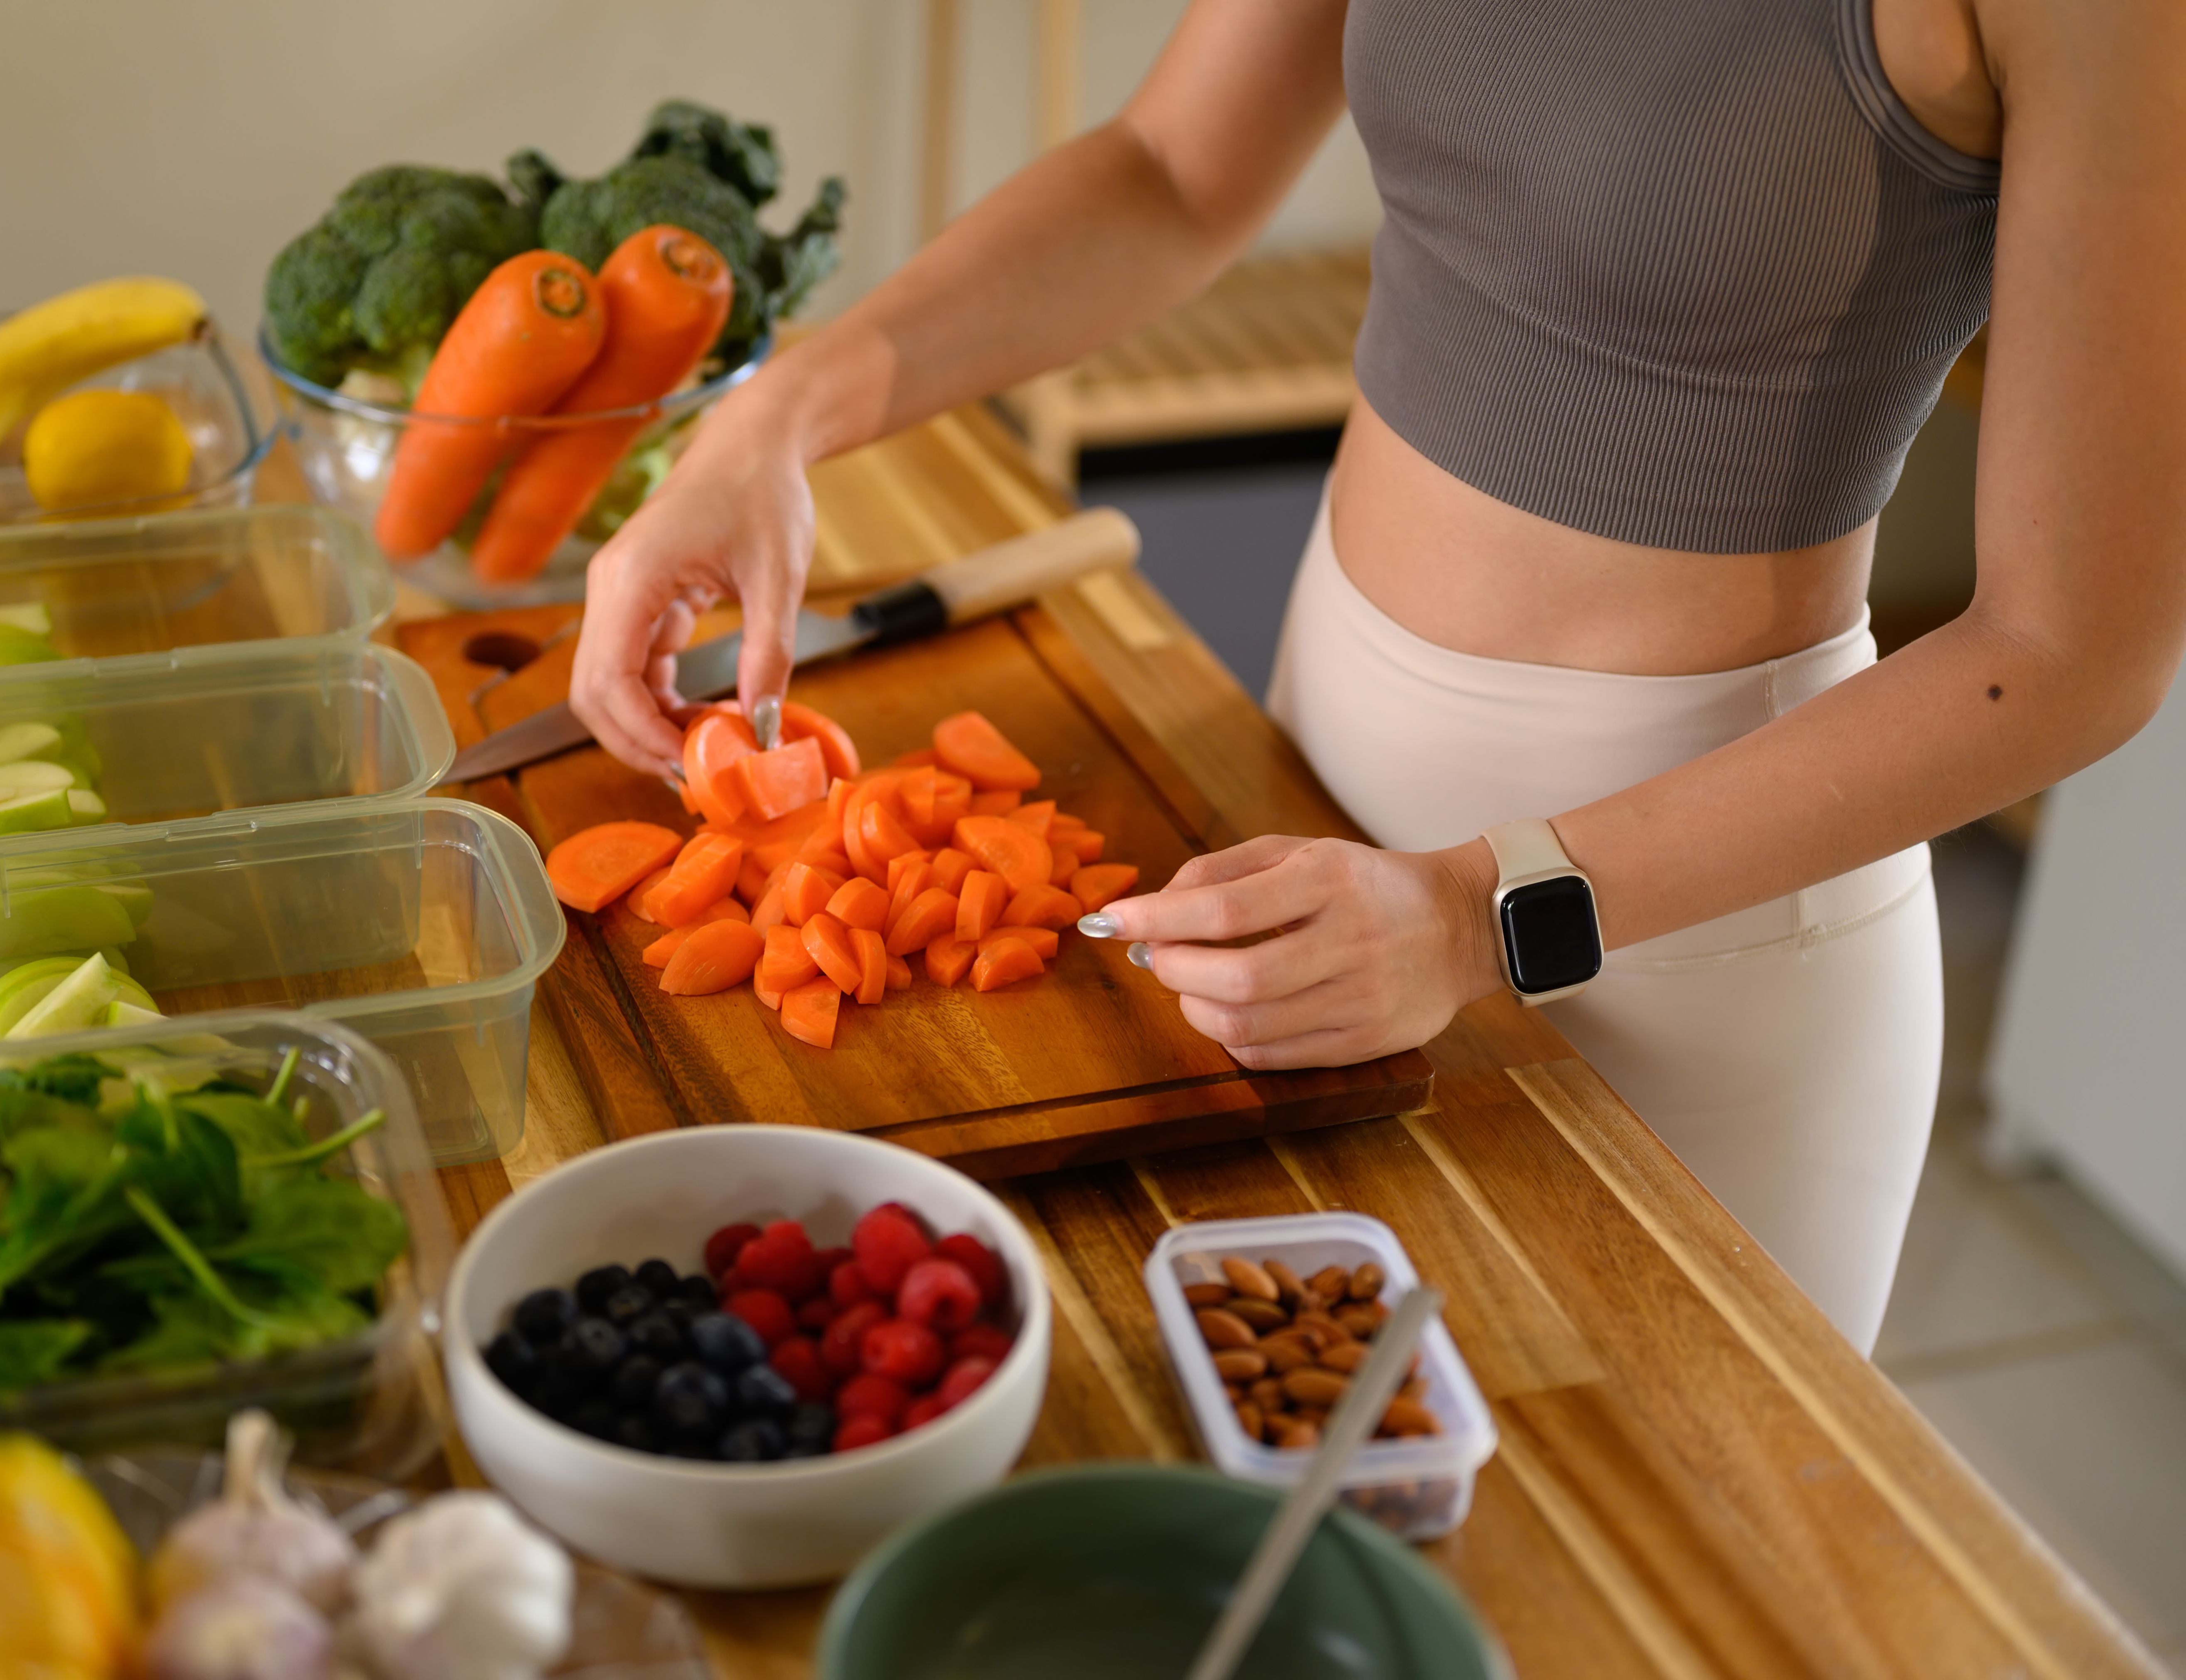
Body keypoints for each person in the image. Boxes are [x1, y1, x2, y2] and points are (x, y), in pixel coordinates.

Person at [568, 0, 2185, 1350]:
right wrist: (776, 419)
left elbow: (2073, 657)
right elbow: (1170, 171)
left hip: (1687, 925)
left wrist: (1479, 913)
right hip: (1318, 771)